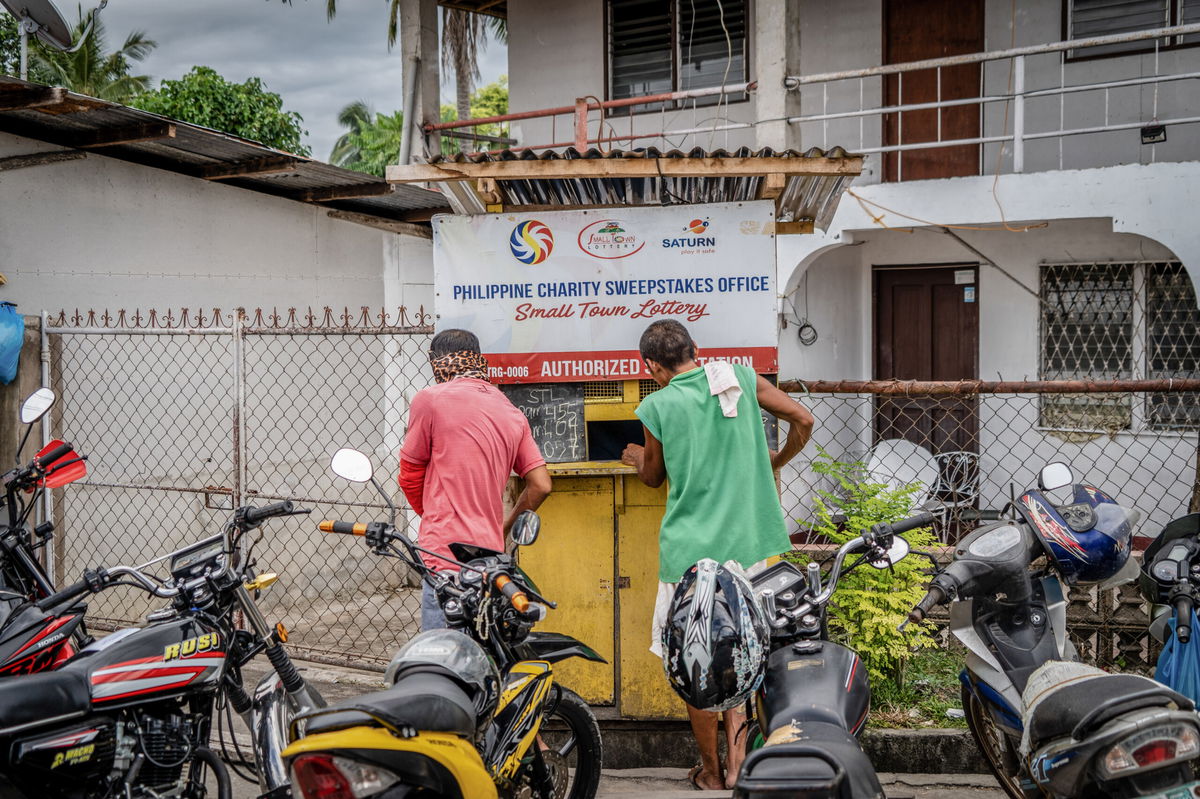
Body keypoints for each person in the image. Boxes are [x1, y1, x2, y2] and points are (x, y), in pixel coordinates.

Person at [621, 320, 814, 791]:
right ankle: (739, 762)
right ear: (695, 350)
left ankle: (711, 772)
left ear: (652, 367)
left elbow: (653, 477)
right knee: (743, 649)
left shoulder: (657, 405)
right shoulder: (741, 378)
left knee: (698, 660)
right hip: (749, 546)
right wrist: (775, 461)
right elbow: (804, 419)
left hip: (690, 556)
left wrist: (635, 459)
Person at [398, 328, 552, 631]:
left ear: (436, 363)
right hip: (489, 564)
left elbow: (410, 473)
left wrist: (432, 515)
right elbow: (542, 484)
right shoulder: (510, 411)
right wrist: (503, 528)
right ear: (478, 361)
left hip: (443, 557)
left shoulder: (430, 400)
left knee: (441, 662)